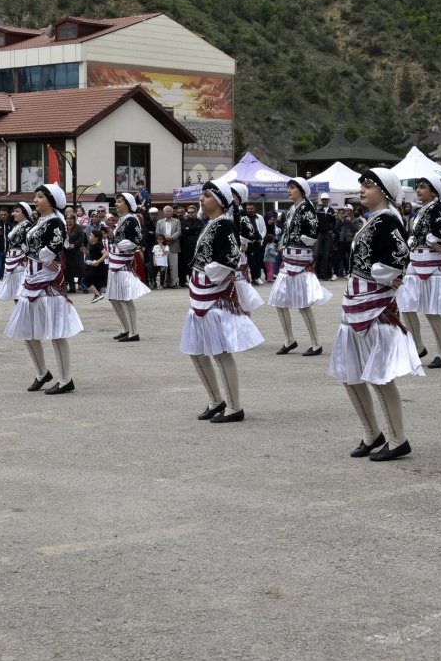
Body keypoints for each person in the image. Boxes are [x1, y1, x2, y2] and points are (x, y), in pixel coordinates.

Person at [331, 168, 425, 461]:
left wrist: (382, 276)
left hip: (374, 306)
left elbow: (399, 257)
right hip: (356, 302)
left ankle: (398, 439)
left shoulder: (388, 221)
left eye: (369, 185)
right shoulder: (374, 220)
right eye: (362, 185)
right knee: (351, 373)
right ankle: (372, 434)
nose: (362, 189)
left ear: (384, 191)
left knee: (380, 375)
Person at [182, 181, 264, 423]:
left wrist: (207, 275)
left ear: (219, 200)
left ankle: (234, 406)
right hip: (200, 291)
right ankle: (215, 400)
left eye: (206, 195)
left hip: (214, 295)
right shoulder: (212, 224)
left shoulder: (225, 224)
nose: (201, 199)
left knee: (220, 352)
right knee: (196, 351)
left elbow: (229, 260)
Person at [5, 183, 82, 394]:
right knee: (26, 329)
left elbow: (54, 248)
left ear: (50, 200)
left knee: (56, 331)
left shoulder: (56, 221)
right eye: (35, 196)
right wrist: (40, 255)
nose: (35, 199)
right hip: (31, 278)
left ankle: (66, 379)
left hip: (48, 281)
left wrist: (43, 256)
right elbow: (29, 247)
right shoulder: (38, 221)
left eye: (40, 196)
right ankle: (42, 372)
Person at [395, 174, 441, 369]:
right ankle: (418, 346)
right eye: (418, 187)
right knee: (406, 305)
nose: (418, 190)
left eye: (423, 187)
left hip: (431, 263)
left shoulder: (437, 208)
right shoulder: (422, 210)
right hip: (416, 261)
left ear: (433, 190)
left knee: (431, 309)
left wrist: (432, 241)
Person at [268, 176, 329, 358]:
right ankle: (289, 340)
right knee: (279, 300)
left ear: (301, 190)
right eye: (288, 187)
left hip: (301, 259)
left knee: (303, 304)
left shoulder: (307, 207)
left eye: (293, 187)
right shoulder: (292, 209)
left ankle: (316, 343)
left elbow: (312, 232)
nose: (289, 190)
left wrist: (300, 241)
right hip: (288, 258)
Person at [104, 193, 150, 342]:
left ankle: (134, 332)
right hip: (115, 262)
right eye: (116, 202)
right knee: (113, 297)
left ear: (127, 204)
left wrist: (122, 245)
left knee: (125, 297)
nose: (116, 204)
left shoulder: (131, 219)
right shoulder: (124, 219)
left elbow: (136, 240)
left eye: (119, 202)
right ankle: (126, 328)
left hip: (123, 263)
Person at [0, 204, 31, 303]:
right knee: (16, 291)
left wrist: (25, 256)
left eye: (17, 211)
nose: (14, 213)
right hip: (12, 258)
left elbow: (29, 244)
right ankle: (19, 315)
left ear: (24, 213)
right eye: (14, 211)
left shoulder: (28, 225)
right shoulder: (16, 225)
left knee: (21, 291)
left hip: (20, 259)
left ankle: (24, 316)